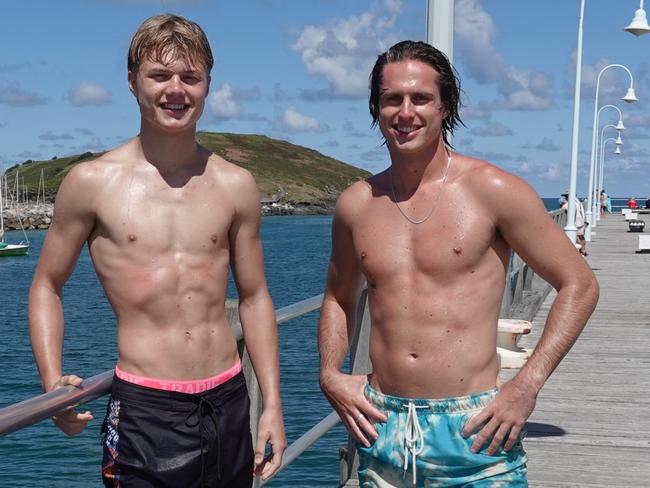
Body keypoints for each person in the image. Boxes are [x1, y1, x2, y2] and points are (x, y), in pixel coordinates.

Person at [318, 40, 599, 487]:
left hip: (475, 430)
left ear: (446, 105)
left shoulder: (493, 191)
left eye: (421, 98)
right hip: (381, 425)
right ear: (376, 107)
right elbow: (338, 295)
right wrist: (331, 375)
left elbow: (579, 284)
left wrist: (526, 387)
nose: (405, 112)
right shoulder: (357, 204)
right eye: (392, 99)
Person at [28, 14, 285, 488]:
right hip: (146, 412)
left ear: (209, 84)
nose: (176, 90)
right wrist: (52, 383)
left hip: (230, 400)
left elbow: (254, 297)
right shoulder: (91, 184)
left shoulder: (236, 185)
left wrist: (272, 405)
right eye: (159, 75)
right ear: (132, 83)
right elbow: (47, 284)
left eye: (190, 77)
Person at [561, 191, 588, 256]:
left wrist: (562, 205)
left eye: (566, 196)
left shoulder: (571, 203)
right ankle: (583, 250)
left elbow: (564, 208)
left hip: (576, 222)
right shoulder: (578, 201)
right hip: (582, 221)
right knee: (582, 237)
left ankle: (581, 249)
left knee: (576, 237)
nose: (565, 198)